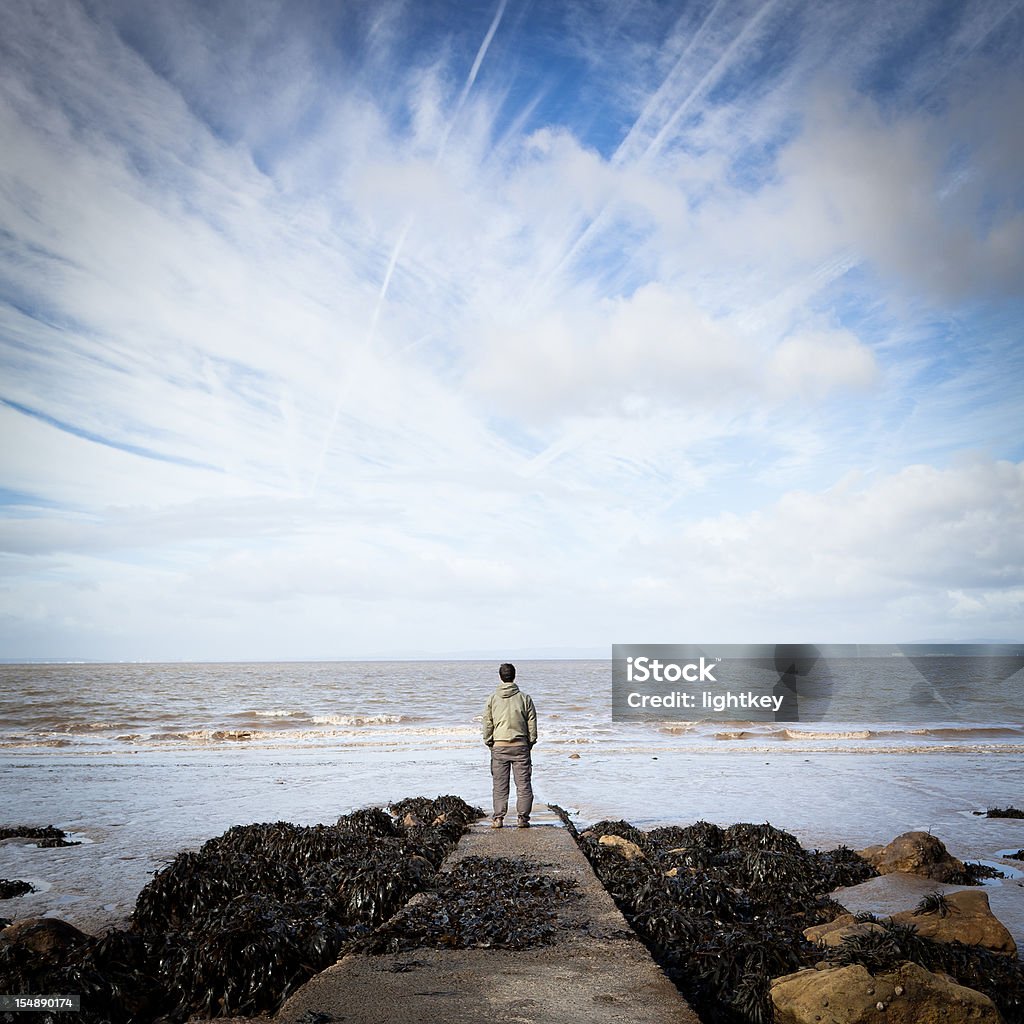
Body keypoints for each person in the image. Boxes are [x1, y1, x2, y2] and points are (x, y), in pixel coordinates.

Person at [482, 662, 537, 828]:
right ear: (514, 676)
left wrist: (489, 741)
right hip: (520, 746)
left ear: (500, 677)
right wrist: (530, 741)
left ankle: (498, 818)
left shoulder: (492, 699)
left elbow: (487, 723)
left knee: (499, 786)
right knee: (523, 784)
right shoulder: (525, 698)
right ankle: (523, 818)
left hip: (499, 746)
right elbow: (532, 722)